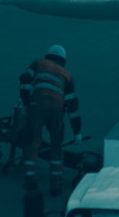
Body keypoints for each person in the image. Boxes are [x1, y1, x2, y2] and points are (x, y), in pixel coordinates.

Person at [18, 44, 83, 195]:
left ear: (48, 55)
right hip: (57, 110)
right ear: (63, 60)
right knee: (56, 145)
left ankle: (31, 181)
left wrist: (26, 102)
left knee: (32, 142)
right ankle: (56, 184)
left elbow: (25, 80)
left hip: (37, 105)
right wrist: (77, 131)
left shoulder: (38, 63)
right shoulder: (67, 75)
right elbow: (73, 106)